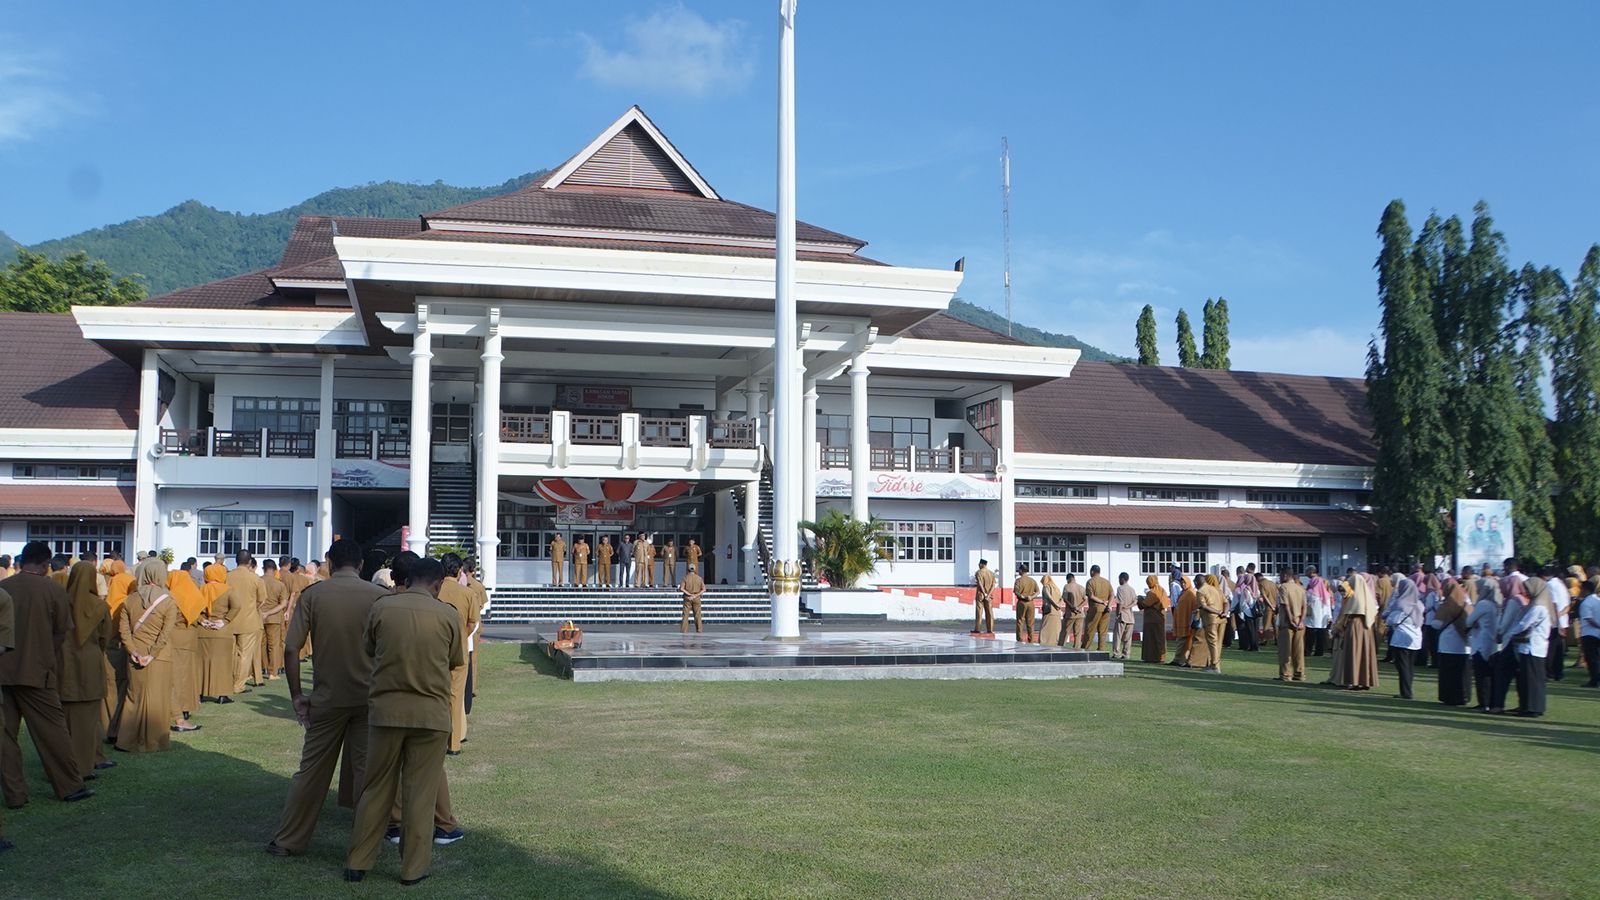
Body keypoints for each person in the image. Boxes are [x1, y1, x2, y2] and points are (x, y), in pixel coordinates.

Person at [344, 556, 464, 886]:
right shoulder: (447, 614)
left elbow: (369, 648)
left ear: (408, 579)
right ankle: (412, 869)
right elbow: (456, 660)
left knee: (375, 789)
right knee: (420, 794)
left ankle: (358, 861)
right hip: (430, 715)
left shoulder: (383, 608)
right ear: (438, 584)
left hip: (386, 712)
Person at [267, 539, 389, 857]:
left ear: (329, 565)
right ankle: (364, 846)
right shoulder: (379, 597)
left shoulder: (314, 595)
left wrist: (297, 695)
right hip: (368, 697)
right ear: (361, 565)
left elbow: (292, 648)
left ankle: (288, 840)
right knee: (367, 773)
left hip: (327, 697)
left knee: (311, 771)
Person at [0, 542, 93, 806]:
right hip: (37, 672)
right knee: (53, 732)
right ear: (45, 565)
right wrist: (46, 657)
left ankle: (15, 795)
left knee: (5, 737)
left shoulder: (3, 587)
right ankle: (69, 786)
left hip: (3, 671)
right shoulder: (52, 589)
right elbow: (62, 631)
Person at [114, 558, 179, 753]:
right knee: (157, 699)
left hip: (135, 653)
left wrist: (133, 650)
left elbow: (123, 630)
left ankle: (126, 740)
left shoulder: (130, 599)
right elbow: (166, 633)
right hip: (159, 656)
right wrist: (152, 654)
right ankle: (154, 742)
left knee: (133, 697)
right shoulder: (168, 600)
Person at [58, 561, 110, 779]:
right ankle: (85, 766)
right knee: (88, 719)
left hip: (63, 661)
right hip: (89, 662)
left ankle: (68, 764)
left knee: (64, 719)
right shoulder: (99, 606)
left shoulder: (59, 602)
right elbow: (105, 637)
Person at [438, 555, 477, 758]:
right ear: (459, 570)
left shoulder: (434, 591)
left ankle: (435, 739)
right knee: (455, 696)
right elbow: (472, 622)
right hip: (459, 648)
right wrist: (461, 636)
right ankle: (454, 744)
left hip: (435, 648)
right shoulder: (468, 593)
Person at [165, 562, 206, 728]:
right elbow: (197, 615)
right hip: (189, 638)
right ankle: (187, 707)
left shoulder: (170, 597)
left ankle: (176, 708)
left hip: (173, 638)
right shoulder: (192, 594)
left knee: (175, 675)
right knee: (188, 675)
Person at [1508, 577, 1552, 717]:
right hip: (1535, 647)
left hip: (1532, 647)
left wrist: (1511, 633)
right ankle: (1531, 706)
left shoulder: (1538, 606)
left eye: (1527, 588)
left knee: (1531, 679)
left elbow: (1524, 624)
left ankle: (1531, 708)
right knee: (1533, 678)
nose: (1525, 591)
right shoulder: (1538, 604)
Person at [226, 552, 267, 696]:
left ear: (235, 561)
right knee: (245, 655)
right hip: (249, 621)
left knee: (230, 654)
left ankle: (227, 683)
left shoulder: (227, 576)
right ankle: (238, 685)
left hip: (229, 620)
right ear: (250, 562)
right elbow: (262, 600)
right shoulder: (255, 578)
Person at [198, 560, 238, 703]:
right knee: (223, 663)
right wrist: (225, 620)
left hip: (203, 630)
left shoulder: (201, 589)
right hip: (222, 631)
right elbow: (236, 607)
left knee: (201, 663)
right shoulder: (228, 589)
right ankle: (222, 694)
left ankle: (200, 692)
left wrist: (202, 620)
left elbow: (194, 608)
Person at [1334, 573, 1380, 691]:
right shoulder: (1367, 596)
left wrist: (1338, 627)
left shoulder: (1354, 598)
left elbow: (1347, 613)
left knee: (1353, 653)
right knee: (1365, 653)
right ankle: (1365, 681)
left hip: (1355, 625)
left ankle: (1353, 681)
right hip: (1367, 628)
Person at [1384, 577, 1424, 699]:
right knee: (1409, 666)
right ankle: (1407, 690)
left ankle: (1406, 692)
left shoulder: (1401, 603)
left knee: (1402, 667)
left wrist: (1387, 618)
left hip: (1401, 639)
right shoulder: (1419, 604)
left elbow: (1392, 620)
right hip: (1416, 638)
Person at [1434, 580, 1473, 706]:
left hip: (1448, 643)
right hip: (1464, 644)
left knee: (1448, 673)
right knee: (1463, 673)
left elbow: (1436, 624)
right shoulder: (1467, 604)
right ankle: (1464, 697)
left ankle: (1449, 697)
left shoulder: (1446, 605)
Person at [260, 559, 290, 684]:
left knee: (261, 645)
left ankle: (262, 668)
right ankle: (273, 672)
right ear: (275, 570)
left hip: (259, 616)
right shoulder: (280, 584)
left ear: (263, 568)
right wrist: (270, 612)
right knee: (274, 646)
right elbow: (283, 603)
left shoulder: (258, 581)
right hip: (274, 618)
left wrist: (263, 612)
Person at [1195, 573, 1229, 673]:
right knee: (1218, 643)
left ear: (1196, 582)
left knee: (1212, 643)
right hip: (1222, 619)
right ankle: (1215, 665)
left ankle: (1214, 666)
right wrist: (1225, 612)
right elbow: (1226, 602)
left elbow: (1204, 606)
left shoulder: (1200, 591)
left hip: (1211, 620)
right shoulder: (1216, 589)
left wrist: (1217, 612)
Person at [1137, 575, 1170, 663]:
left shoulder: (1153, 592)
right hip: (1161, 617)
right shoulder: (1162, 590)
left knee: (1150, 639)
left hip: (1152, 619)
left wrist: (1140, 599)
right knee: (1159, 638)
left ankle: (1150, 657)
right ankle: (1161, 657)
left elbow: (1145, 604)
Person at [1169, 576, 1199, 667]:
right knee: (1180, 641)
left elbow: (1194, 607)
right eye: (1181, 583)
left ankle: (1180, 660)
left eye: (1184, 583)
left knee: (1184, 641)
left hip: (1186, 621)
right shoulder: (1184, 592)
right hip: (1181, 620)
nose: (1183, 585)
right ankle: (1177, 659)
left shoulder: (1191, 593)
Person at [1081, 565, 1112, 650]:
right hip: (1106, 609)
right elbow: (1112, 594)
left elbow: (1091, 596)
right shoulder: (1106, 582)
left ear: (1092, 572)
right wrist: (1108, 605)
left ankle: (1085, 649)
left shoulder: (1090, 582)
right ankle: (1101, 650)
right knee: (1103, 632)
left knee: (1090, 630)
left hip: (1095, 609)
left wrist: (1101, 601)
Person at [1304, 568, 1334, 657]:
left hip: (1311, 618)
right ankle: (1319, 652)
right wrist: (1329, 616)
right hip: (1322, 619)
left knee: (1310, 635)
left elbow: (1305, 601)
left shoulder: (1309, 593)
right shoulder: (1326, 595)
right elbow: (1328, 606)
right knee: (1320, 635)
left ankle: (1308, 651)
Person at [1577, 578, 1600, 688]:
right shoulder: (1597, 600)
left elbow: (1589, 619)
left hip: (1589, 633)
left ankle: (1594, 680)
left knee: (1591, 658)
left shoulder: (1586, 603)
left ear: (1585, 590)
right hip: (1597, 633)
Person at [1230, 569, 1259, 652]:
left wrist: (1241, 610)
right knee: (1255, 630)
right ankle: (1255, 645)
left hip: (1247, 612)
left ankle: (1252, 646)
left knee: (1250, 630)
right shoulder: (1256, 589)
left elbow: (1242, 603)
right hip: (1255, 612)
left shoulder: (1246, 590)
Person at [1113, 573, 1137, 660]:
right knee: (1128, 637)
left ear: (1122, 579)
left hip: (1122, 615)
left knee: (1118, 635)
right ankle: (1126, 654)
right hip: (1130, 615)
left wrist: (1118, 613)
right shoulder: (1132, 589)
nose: (1119, 581)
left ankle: (1116, 653)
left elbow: (1120, 603)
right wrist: (1128, 607)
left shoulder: (1120, 589)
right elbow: (1135, 601)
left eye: (1119, 579)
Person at [1013, 565, 1039, 644]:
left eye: (1019, 570)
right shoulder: (1032, 580)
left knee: (1020, 621)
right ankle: (1031, 640)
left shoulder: (1018, 580)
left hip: (1022, 602)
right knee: (1030, 622)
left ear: (1021, 570)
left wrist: (1023, 596)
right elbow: (1038, 591)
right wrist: (1031, 597)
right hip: (1031, 603)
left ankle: (1019, 639)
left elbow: (1016, 592)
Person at [1039, 574, 1065, 647]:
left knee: (1045, 629)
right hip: (1057, 612)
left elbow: (1048, 597)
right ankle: (1054, 643)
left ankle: (1044, 643)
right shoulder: (1056, 587)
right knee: (1055, 630)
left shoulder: (1046, 587)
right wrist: (1059, 605)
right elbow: (1062, 597)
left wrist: (1056, 604)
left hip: (1049, 611)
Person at [1062, 573, 1087, 647]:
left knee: (1065, 632)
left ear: (1068, 579)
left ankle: (1061, 647)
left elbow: (1065, 599)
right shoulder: (1081, 587)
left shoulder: (1066, 587)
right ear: (1074, 578)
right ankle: (1077, 649)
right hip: (1080, 614)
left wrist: (1072, 607)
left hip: (1070, 614)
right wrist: (1078, 607)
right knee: (1078, 634)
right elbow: (1085, 600)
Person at [680, 564, 706, 634]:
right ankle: (699, 630)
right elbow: (704, 589)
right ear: (695, 569)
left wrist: (689, 594)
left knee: (685, 615)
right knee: (697, 615)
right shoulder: (699, 578)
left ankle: (684, 630)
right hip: (696, 597)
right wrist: (695, 595)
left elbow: (681, 588)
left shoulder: (685, 578)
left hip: (687, 597)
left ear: (688, 569)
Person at [972, 560, 995, 635]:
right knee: (989, 612)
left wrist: (984, 593)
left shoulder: (979, 572)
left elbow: (980, 583)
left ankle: (977, 628)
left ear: (983, 564)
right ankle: (990, 629)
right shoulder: (991, 573)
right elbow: (993, 585)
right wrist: (988, 594)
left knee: (979, 612)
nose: (978, 565)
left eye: (979, 564)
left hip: (980, 595)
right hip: (989, 596)